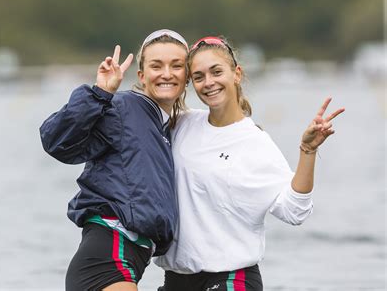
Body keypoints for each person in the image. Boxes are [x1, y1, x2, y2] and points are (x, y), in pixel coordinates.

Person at [155, 36, 345, 291]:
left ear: (236, 73)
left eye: (216, 72)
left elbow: (294, 211)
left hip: (232, 279)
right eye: (199, 77)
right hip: (176, 279)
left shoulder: (255, 143)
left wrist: (307, 151)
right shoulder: (182, 125)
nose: (209, 82)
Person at [39, 29, 189, 291]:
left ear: (187, 76)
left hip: (129, 259)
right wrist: (99, 93)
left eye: (176, 66)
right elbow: (56, 140)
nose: (166, 73)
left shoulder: (170, 127)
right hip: (108, 255)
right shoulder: (123, 108)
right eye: (156, 66)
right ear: (141, 76)